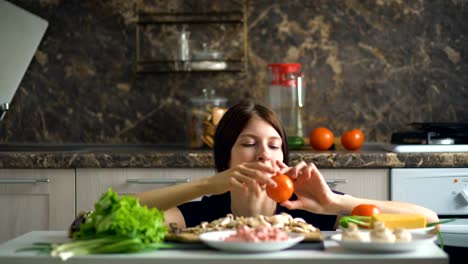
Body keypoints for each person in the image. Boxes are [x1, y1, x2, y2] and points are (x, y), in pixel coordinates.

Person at [135, 101, 439, 230]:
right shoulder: (205, 213)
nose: (264, 155)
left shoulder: (310, 209)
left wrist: (335, 202)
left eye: (274, 145)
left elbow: (427, 219)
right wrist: (206, 185)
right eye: (248, 143)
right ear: (225, 158)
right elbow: (104, 220)